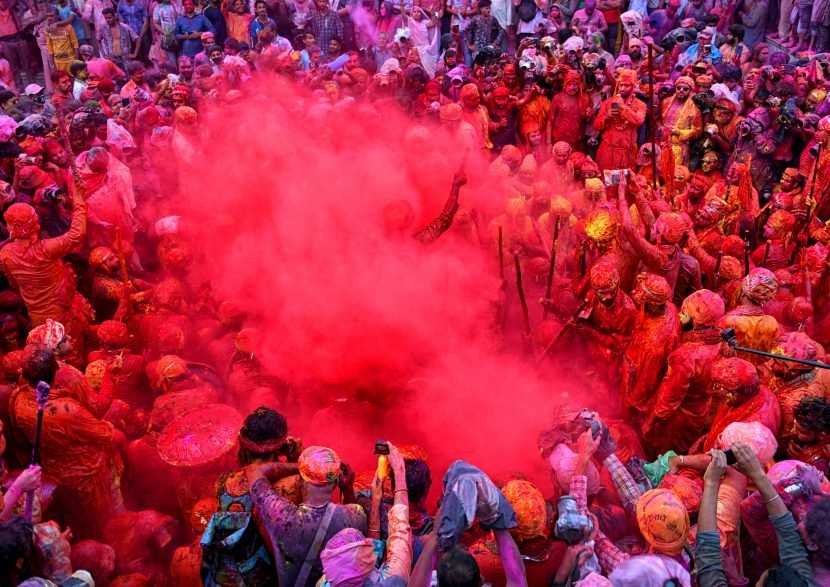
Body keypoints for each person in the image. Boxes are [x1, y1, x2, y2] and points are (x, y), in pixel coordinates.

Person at [247, 445, 366, 586]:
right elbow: (352, 536)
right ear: (336, 483)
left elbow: (254, 470)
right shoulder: (357, 516)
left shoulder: (283, 517)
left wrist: (301, 466)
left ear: (300, 481)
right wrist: (347, 490)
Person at [594, 69, 646, 171]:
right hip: (607, 151)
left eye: (627, 86)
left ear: (633, 87)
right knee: (605, 184)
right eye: (620, 85)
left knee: (622, 185)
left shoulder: (640, 104)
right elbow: (596, 125)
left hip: (626, 153)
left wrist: (623, 107)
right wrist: (607, 117)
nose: (622, 88)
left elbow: (639, 121)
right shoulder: (608, 103)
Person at [45, 7, 79, 73]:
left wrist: (76, 61)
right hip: (57, 62)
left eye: (51, 16)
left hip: (70, 60)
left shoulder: (68, 27)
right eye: (48, 16)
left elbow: (75, 44)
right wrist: (52, 65)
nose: (49, 18)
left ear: (57, 16)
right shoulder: (47, 30)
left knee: (73, 82)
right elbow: (50, 48)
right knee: (61, 82)